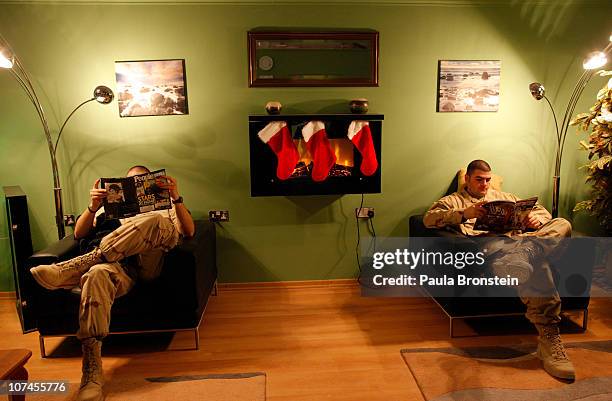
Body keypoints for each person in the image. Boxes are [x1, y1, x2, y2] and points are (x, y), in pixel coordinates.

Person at [30, 165, 195, 401]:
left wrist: (175, 197)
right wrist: (93, 206)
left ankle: (73, 268)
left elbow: (189, 231)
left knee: (156, 222)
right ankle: (92, 375)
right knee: (95, 274)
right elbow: (78, 234)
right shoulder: (108, 206)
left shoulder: (168, 205)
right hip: (120, 267)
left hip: (149, 260)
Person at [423, 159, 575, 380]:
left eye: (488, 180)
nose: (484, 185)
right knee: (537, 265)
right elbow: (429, 219)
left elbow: (545, 216)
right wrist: (465, 214)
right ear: (467, 179)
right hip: (494, 249)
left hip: (523, 243)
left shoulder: (509, 197)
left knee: (563, 223)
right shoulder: (453, 201)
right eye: (479, 180)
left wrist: (536, 220)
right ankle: (549, 339)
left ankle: (529, 250)